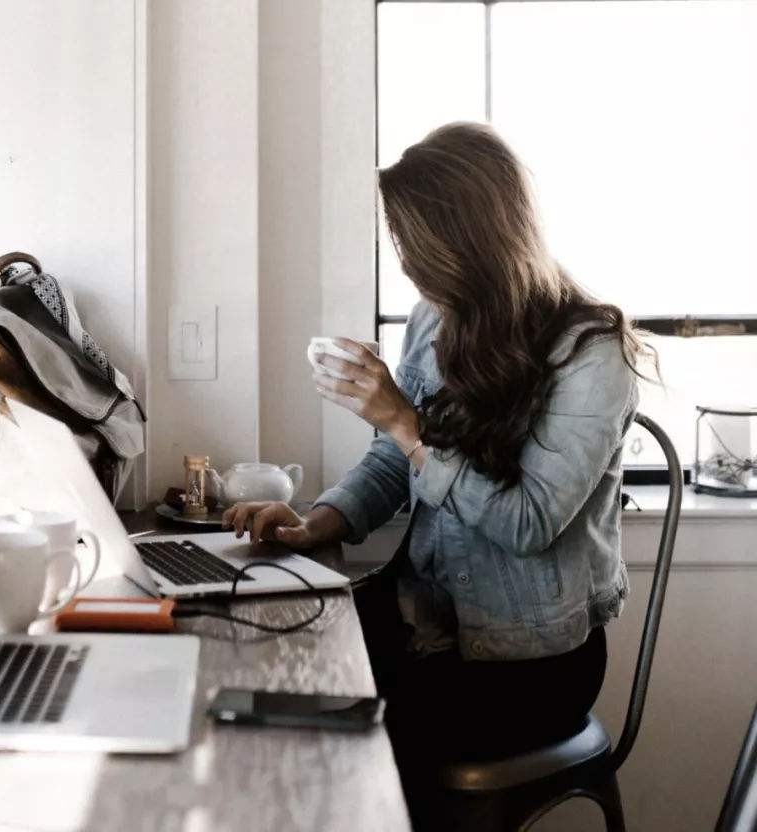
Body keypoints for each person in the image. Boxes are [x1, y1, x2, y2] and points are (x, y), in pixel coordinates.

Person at [222, 122, 654, 826]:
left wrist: (405, 422)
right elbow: (394, 459)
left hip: (530, 664)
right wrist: (317, 523)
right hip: (425, 622)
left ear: (470, 241)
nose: (409, 268)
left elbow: (528, 524)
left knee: (337, 736)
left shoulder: (591, 353)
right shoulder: (435, 320)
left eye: (414, 248)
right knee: (261, 669)